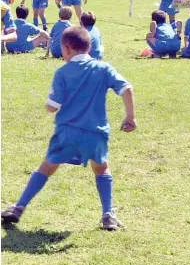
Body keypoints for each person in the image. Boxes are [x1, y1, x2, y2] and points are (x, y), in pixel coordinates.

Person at [1, 26, 136, 230]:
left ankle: (18, 207)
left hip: (67, 132)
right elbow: (127, 88)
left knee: (46, 168)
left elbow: (52, 107)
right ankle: (108, 214)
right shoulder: (104, 69)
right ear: (88, 47)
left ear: (67, 49)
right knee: (101, 169)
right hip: (95, 132)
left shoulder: (63, 72)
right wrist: (130, 117)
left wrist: (48, 104)